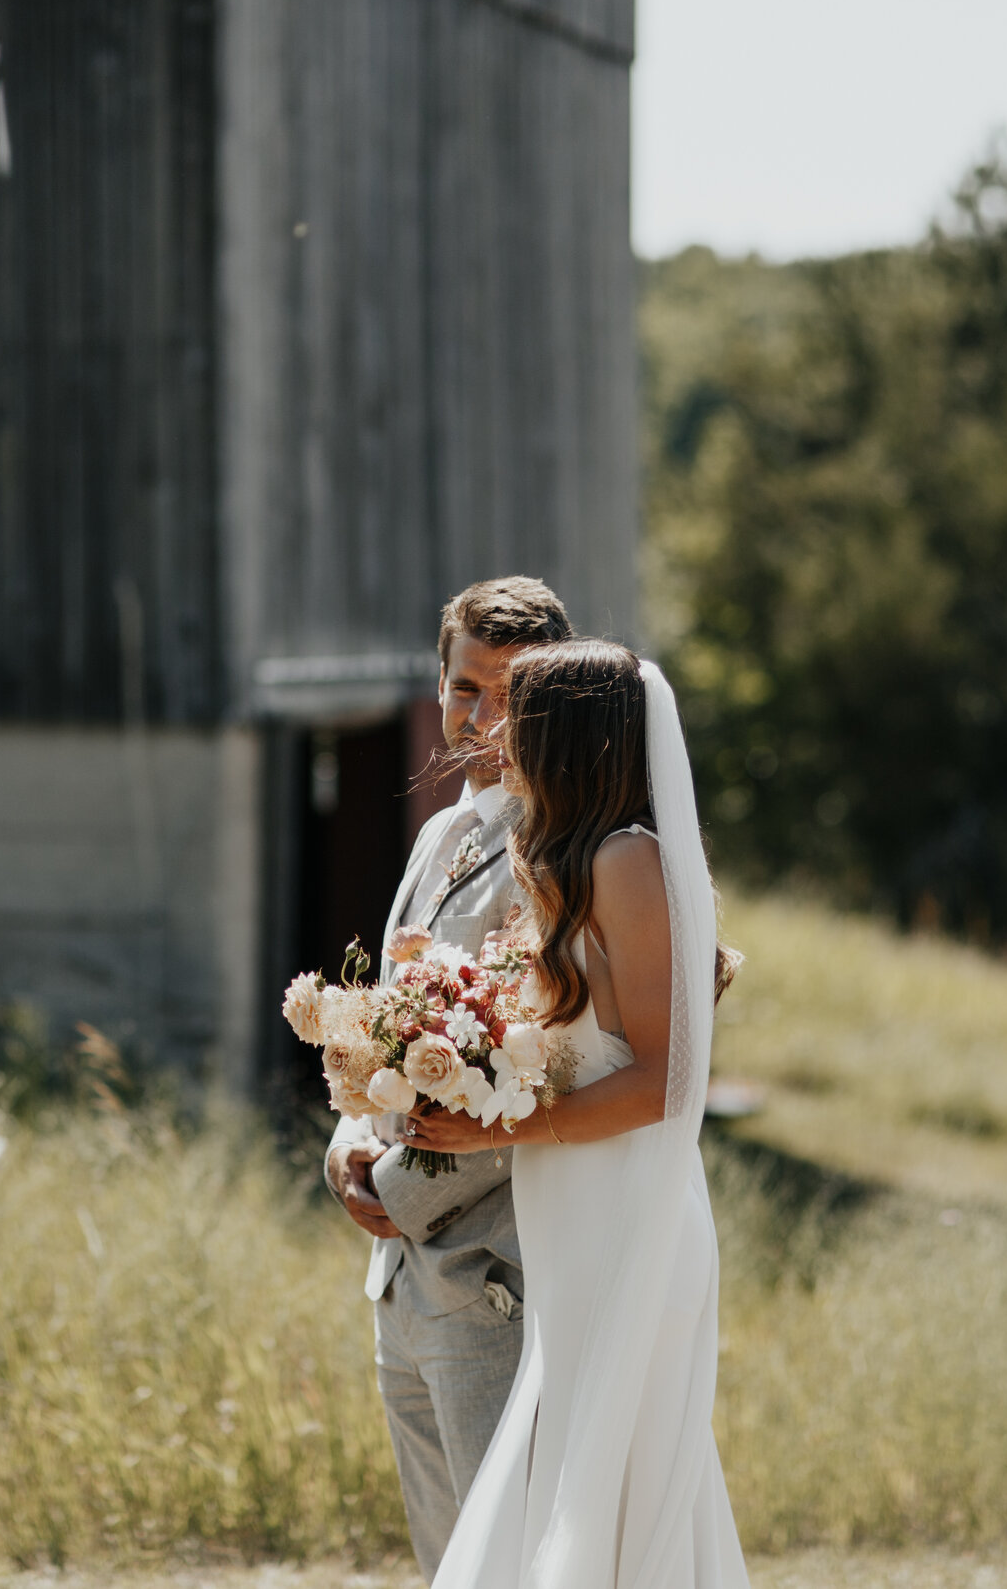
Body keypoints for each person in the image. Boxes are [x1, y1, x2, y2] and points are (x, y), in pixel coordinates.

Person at [409, 640, 751, 1588]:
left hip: (628, 1220)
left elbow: (666, 1081)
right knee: (578, 1473)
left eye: (515, 712)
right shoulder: (563, 860)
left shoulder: (625, 859)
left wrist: (497, 1128)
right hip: (572, 1224)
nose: (492, 729)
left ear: (567, 732)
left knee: (616, 1484)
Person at [323, 576, 572, 1581]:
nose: (483, 715)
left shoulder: (568, 856)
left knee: (507, 1563)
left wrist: (394, 1187)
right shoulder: (438, 835)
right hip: (399, 1282)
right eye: (464, 686)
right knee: (446, 1565)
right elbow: (383, 1031)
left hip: (496, 1273)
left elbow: (549, 1068)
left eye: (510, 689)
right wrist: (346, 1144)